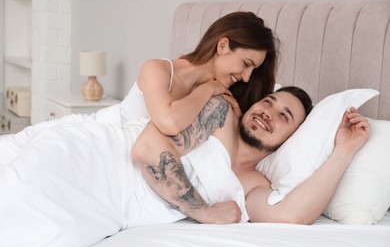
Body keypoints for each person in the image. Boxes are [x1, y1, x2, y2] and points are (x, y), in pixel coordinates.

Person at [132, 86, 370, 224]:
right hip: (108, 160)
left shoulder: (254, 186)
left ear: (290, 140)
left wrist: (344, 151)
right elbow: (147, 148)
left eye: (283, 116)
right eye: (268, 101)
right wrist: (205, 212)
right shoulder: (219, 115)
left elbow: (292, 215)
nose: (268, 113)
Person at [120, 11, 278, 135]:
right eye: (246, 64)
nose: (246, 77)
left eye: (253, 70)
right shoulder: (156, 69)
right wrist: (208, 88)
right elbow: (169, 123)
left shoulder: (223, 98)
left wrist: (237, 121)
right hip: (109, 138)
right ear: (223, 46)